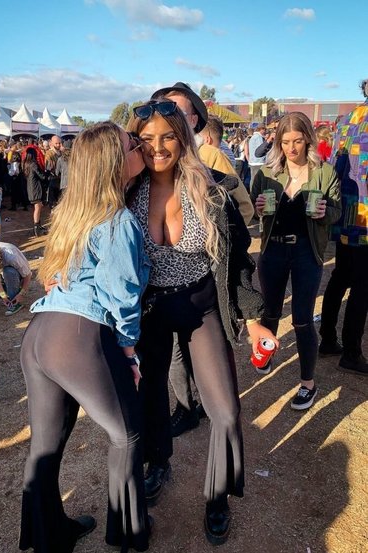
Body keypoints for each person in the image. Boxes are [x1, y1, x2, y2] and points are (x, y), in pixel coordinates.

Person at [127, 99, 278, 546]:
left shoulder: (210, 189)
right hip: (150, 309)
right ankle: (158, 462)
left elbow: (237, 257)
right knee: (150, 396)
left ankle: (217, 496)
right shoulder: (126, 190)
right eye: (147, 139)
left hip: (201, 306)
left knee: (225, 411)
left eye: (168, 137)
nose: (158, 147)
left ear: (183, 139)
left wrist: (252, 317)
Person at [19, 122, 151, 553]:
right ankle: (128, 535)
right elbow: (121, 295)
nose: (141, 148)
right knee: (127, 435)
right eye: (133, 144)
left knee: (45, 447)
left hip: (40, 334)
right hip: (77, 337)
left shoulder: (73, 212)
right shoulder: (117, 221)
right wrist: (129, 352)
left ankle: (49, 538)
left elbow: (56, 274)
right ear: (115, 161)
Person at [150, 83, 254, 437]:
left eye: (176, 112)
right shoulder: (142, 171)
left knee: (212, 374)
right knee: (174, 358)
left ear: (193, 120)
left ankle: (200, 403)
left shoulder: (211, 162)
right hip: (157, 301)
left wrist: (220, 249)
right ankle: (184, 406)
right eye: (160, 109)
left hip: (202, 291)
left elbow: (241, 212)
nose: (166, 119)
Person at [251, 112, 341, 409]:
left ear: (308, 140)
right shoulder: (267, 172)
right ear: (278, 142)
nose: (291, 148)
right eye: (286, 141)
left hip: (306, 252)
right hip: (273, 251)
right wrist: (259, 208)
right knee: (271, 312)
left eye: (298, 141)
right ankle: (266, 351)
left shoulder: (324, 172)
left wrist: (325, 212)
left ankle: (307, 384)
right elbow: (253, 207)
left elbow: (337, 211)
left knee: (302, 319)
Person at [319, 78, 368, 375]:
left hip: (345, 213)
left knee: (341, 276)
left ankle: (327, 338)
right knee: (362, 285)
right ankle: (351, 351)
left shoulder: (347, 119)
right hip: (364, 215)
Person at [0, 241, 32, 316]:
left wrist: (22, 293)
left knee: (9, 271)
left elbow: (28, 275)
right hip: (4, 270)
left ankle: (14, 301)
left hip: (18, 274)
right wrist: (3, 296)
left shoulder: (11, 256)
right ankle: (9, 296)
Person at [22, 148, 48, 237]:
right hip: (36, 188)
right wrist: (46, 174)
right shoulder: (33, 164)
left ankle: (38, 226)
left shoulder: (26, 164)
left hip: (30, 188)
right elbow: (41, 176)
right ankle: (37, 227)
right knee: (38, 207)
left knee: (37, 207)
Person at [44, 135, 62, 209]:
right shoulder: (49, 153)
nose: (58, 145)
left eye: (59, 143)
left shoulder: (61, 152)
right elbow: (48, 166)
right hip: (53, 177)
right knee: (52, 196)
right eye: (56, 143)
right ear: (52, 143)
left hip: (60, 178)